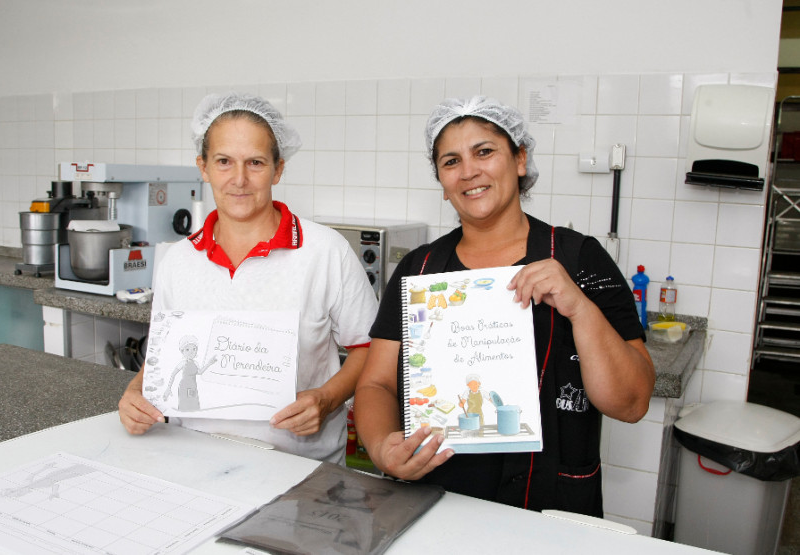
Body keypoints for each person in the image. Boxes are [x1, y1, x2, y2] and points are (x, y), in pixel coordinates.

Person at [354, 96, 655, 517]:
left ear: (520, 160)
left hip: (551, 509)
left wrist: (579, 308)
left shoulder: (579, 259)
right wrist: (382, 448)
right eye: (451, 161)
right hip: (436, 502)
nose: (468, 171)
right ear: (442, 182)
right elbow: (376, 385)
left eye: (484, 152)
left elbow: (632, 403)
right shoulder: (419, 270)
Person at [118, 92, 378, 464]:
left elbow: (369, 348)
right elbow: (165, 354)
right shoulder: (177, 260)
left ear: (278, 169)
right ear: (203, 167)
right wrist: (135, 390)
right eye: (224, 161)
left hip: (297, 465)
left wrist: (327, 399)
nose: (239, 179)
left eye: (255, 162)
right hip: (193, 457)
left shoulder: (325, 252)